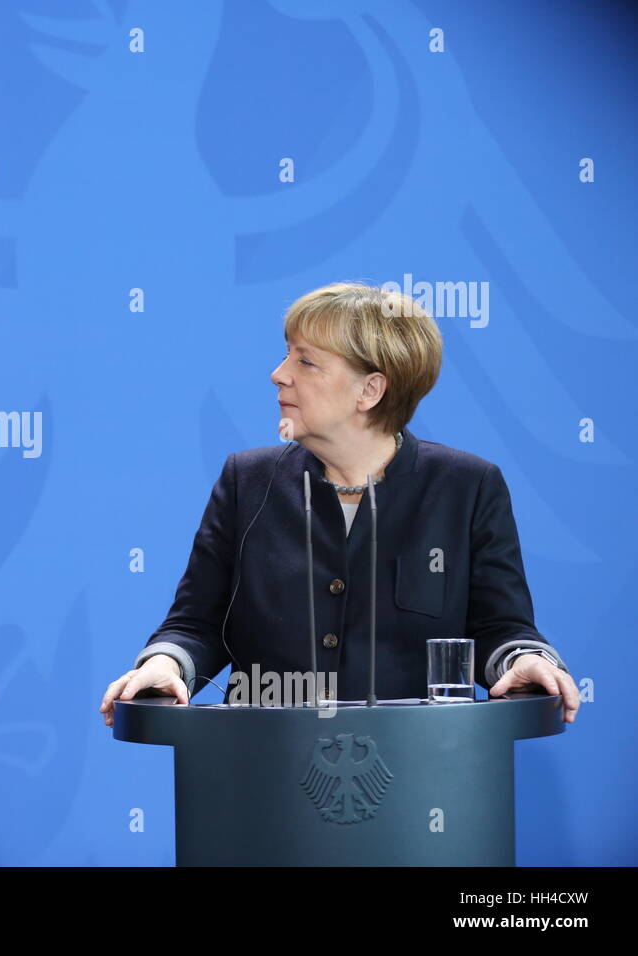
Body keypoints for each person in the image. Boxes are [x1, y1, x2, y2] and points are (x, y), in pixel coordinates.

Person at [100, 282, 580, 724]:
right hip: (261, 770)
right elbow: (198, 624)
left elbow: (501, 626)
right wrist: (166, 664)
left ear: (370, 390)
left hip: (421, 774)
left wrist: (526, 659)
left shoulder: (467, 487)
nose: (278, 375)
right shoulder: (246, 480)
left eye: (305, 362)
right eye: (286, 355)